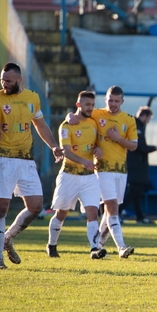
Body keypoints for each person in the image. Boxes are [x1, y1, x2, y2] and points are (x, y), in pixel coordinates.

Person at [0, 63, 64, 269]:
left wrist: (54, 146)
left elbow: (40, 124)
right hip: (4, 159)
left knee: (36, 206)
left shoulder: (32, 97)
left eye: (8, 81)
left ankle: (7, 238)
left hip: (26, 160)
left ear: (19, 80)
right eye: (2, 80)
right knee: (1, 207)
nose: (4, 84)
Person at [47, 91, 105, 259]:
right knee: (61, 214)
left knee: (92, 213)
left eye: (93, 105)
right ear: (78, 104)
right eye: (87, 105)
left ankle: (94, 248)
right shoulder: (67, 125)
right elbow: (66, 152)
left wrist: (98, 149)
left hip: (89, 177)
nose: (91, 108)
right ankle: (52, 245)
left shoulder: (94, 123)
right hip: (69, 175)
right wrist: (84, 161)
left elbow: (96, 144)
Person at [88, 86, 138, 258]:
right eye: (110, 100)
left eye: (117, 101)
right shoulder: (96, 114)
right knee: (111, 208)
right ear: (105, 100)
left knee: (111, 210)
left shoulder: (129, 119)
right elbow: (81, 125)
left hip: (121, 170)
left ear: (122, 102)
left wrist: (118, 139)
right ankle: (121, 247)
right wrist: (70, 116)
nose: (113, 104)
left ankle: (97, 245)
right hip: (102, 168)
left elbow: (133, 145)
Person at [123, 106, 157, 224]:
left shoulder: (140, 126)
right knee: (133, 190)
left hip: (138, 164)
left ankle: (140, 216)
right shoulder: (135, 126)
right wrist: (152, 148)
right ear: (144, 116)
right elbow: (139, 146)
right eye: (148, 118)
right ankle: (117, 212)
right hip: (135, 165)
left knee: (137, 191)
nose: (148, 121)